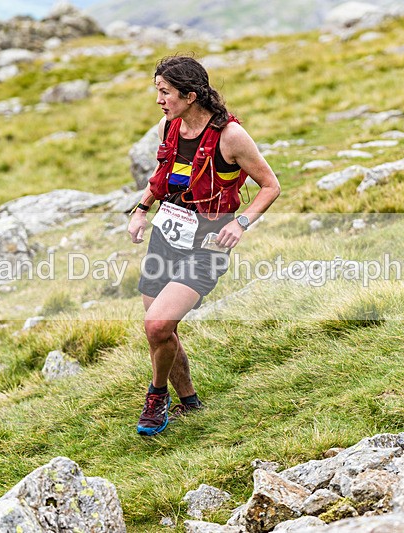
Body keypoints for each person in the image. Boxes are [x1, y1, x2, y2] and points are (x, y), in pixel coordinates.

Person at [127, 55, 280, 436]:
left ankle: (156, 395)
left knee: (157, 324)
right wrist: (141, 210)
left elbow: (271, 186)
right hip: (166, 235)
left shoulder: (231, 137)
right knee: (162, 331)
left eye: (165, 93)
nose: (159, 100)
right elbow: (162, 176)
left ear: (190, 95)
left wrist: (242, 223)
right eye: (157, 91)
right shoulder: (170, 126)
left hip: (208, 243)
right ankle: (190, 401)